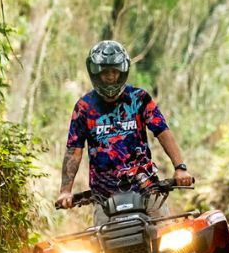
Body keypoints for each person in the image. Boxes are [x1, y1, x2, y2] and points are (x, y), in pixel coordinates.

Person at [56, 40, 194, 223]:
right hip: (105, 198)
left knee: (171, 243)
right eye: (105, 72)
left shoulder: (139, 98)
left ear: (123, 71)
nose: (111, 77)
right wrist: (65, 190)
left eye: (115, 71)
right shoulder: (84, 107)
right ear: (96, 73)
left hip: (146, 189)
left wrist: (180, 168)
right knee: (101, 249)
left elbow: (162, 131)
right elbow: (74, 150)